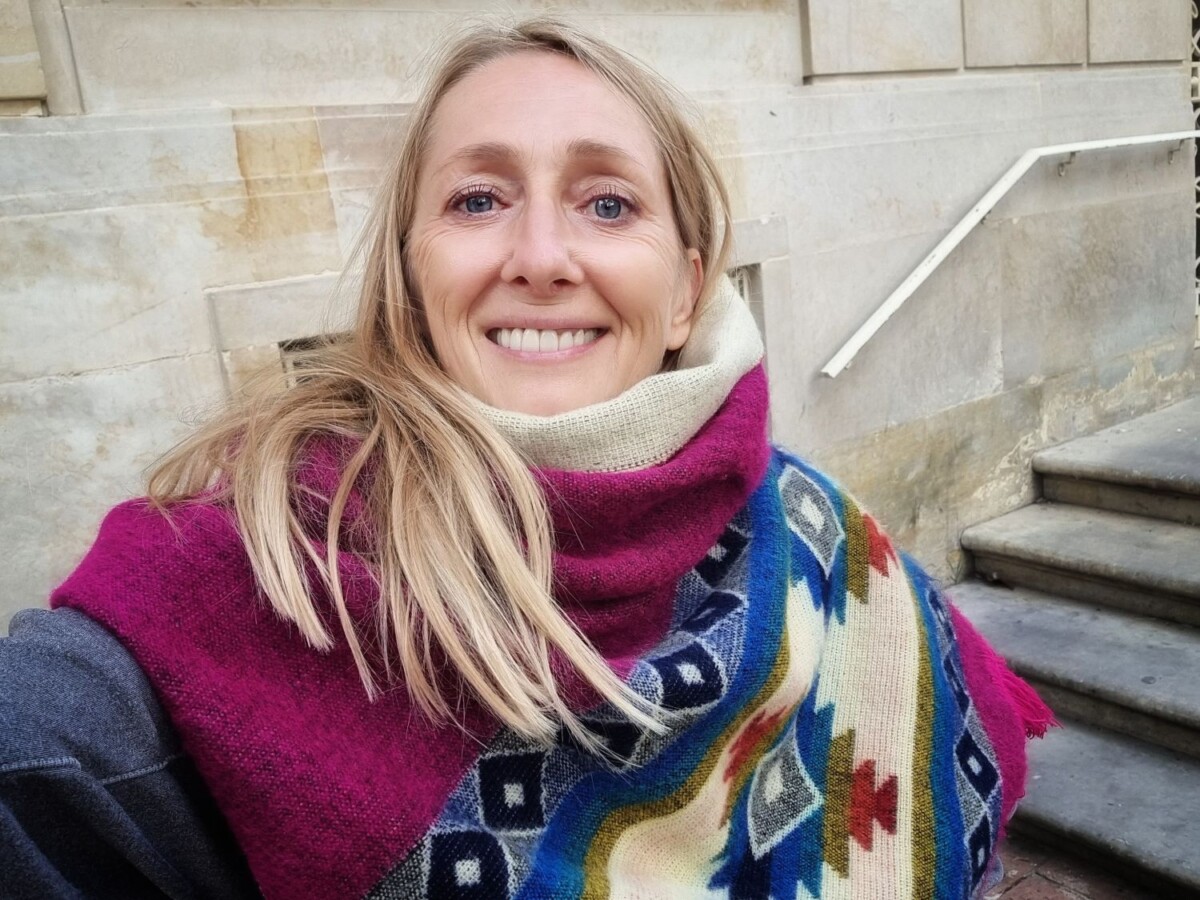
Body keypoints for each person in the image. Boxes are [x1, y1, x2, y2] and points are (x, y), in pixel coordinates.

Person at [0, 18, 1052, 900]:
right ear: (412, 277)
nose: (543, 258)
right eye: (477, 200)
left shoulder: (812, 530)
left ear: (685, 291)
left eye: (608, 203)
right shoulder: (257, 559)